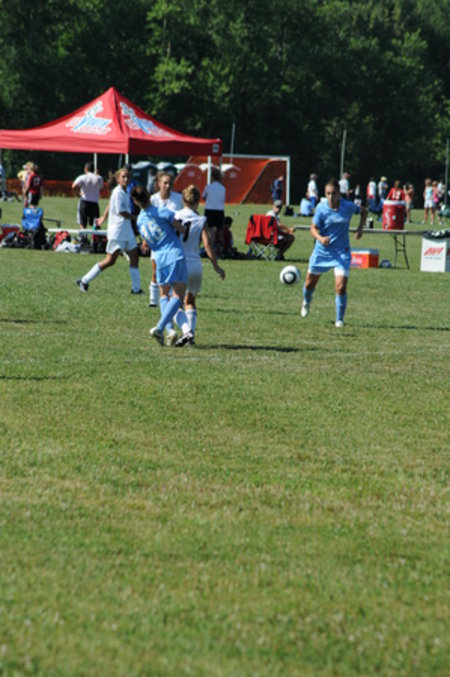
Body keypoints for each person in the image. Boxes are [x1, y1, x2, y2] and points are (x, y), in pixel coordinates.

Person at [130, 185, 193, 347]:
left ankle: (170, 330)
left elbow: (147, 241)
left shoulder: (139, 221)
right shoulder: (162, 211)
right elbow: (181, 228)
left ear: (136, 202)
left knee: (164, 295)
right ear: (149, 196)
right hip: (174, 255)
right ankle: (159, 327)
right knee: (178, 297)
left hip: (159, 259)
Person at [301, 178, 367, 328]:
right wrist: (320, 238)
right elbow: (313, 228)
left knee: (341, 286)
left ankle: (339, 320)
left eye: (334, 193)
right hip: (322, 252)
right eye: (328, 194)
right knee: (309, 284)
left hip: (341, 253)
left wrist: (360, 229)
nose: (331, 197)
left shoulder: (348, 206)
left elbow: (364, 211)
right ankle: (306, 302)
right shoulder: (321, 208)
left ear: (339, 194)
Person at [76, 167, 142, 294]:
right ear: (118, 179)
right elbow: (122, 212)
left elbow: (110, 204)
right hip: (118, 231)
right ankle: (84, 280)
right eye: (123, 177)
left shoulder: (125, 191)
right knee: (110, 261)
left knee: (134, 257)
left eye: (128, 177)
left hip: (127, 230)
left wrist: (103, 217)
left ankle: (136, 289)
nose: (126, 179)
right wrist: (135, 218)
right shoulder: (118, 192)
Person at [174, 185, 225, 345]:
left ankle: (186, 331)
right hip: (195, 265)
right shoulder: (201, 220)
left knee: (173, 302)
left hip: (179, 264)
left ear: (183, 200)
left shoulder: (175, 216)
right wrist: (216, 267)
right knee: (190, 301)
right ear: (198, 202)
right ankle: (191, 335)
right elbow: (207, 244)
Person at [148, 171, 184, 307]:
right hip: (158, 241)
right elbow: (147, 220)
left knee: (173, 272)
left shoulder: (178, 199)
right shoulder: (153, 200)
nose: (168, 186)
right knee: (156, 270)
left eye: (170, 183)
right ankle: (153, 300)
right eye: (165, 183)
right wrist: (146, 240)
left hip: (174, 242)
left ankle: (171, 298)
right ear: (159, 184)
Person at [72, 162, 104, 233]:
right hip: (94, 203)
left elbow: (73, 186)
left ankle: (84, 238)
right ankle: (97, 238)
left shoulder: (82, 177)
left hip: (84, 202)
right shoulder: (99, 178)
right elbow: (101, 187)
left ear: (85, 169)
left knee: (83, 224)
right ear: (94, 169)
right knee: (96, 225)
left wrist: (78, 194)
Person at [202, 166, 226, 251]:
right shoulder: (222, 188)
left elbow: (203, 196)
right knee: (220, 231)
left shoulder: (208, 187)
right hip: (220, 210)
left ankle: (210, 248)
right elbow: (223, 199)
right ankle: (222, 248)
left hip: (210, 210)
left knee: (211, 231)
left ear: (212, 177)